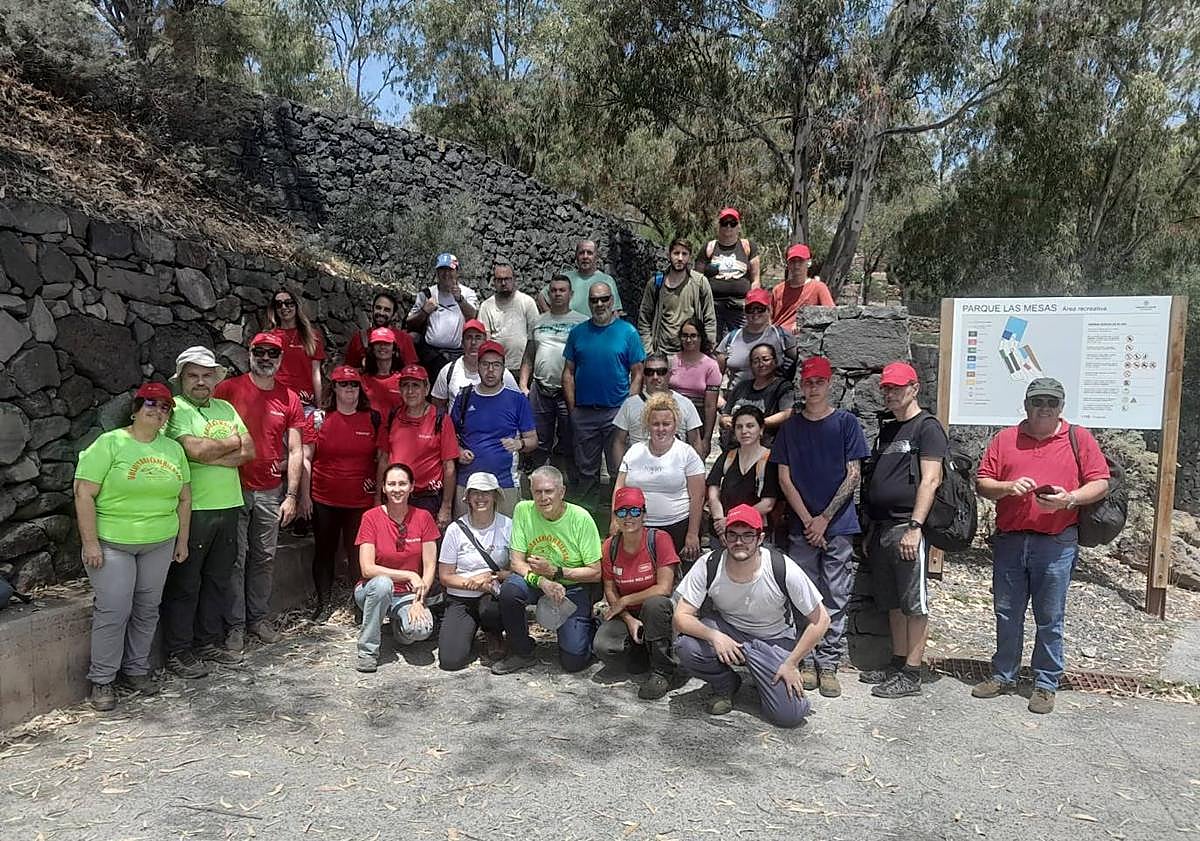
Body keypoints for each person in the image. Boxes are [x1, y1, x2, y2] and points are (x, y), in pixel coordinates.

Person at [973, 377, 1110, 714]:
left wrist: (1070, 500)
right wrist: (1007, 487)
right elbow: (982, 483)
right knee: (1007, 613)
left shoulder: (1078, 438)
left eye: (1051, 402)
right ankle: (1004, 674)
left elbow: (1101, 483)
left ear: (1061, 407)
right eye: (1038, 402)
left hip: (1056, 542)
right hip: (1010, 540)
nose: (1044, 408)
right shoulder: (1005, 439)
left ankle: (1046, 683)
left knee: (1050, 616)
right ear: (1026, 405)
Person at [74, 382, 191, 711]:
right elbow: (84, 493)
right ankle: (102, 679)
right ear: (136, 408)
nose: (157, 411)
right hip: (114, 543)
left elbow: (184, 497)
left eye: (165, 406)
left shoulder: (172, 449)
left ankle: (136, 670)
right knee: (114, 610)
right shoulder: (110, 444)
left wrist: (181, 540)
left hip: (160, 541)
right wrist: (90, 542)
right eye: (150, 404)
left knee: (147, 608)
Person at [673, 505, 829, 726]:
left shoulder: (781, 567)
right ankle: (725, 684)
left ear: (760, 538)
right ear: (724, 537)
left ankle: (764, 676)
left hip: (773, 641)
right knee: (686, 646)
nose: (739, 542)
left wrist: (792, 663)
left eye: (748, 535)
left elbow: (821, 619)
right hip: (730, 633)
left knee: (790, 716)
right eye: (733, 535)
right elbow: (681, 616)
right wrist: (716, 637)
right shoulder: (709, 564)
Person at [770, 355, 869, 699]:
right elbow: (784, 477)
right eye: (807, 382)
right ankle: (806, 660)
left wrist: (824, 518)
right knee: (804, 595)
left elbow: (853, 473)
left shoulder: (846, 424)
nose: (812, 388)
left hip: (838, 525)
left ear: (830, 384)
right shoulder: (791, 427)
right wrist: (809, 519)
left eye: (818, 382)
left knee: (836, 595)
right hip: (802, 526)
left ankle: (829, 663)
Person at [161, 347, 255, 680]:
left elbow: (250, 451)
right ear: (181, 379)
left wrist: (208, 456)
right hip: (194, 509)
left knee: (217, 579)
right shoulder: (176, 409)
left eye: (206, 376)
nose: (201, 382)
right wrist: (229, 443)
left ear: (215, 379)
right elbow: (192, 450)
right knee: (186, 582)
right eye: (193, 375)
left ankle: (207, 642)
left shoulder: (226, 407)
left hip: (228, 505)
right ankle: (178, 650)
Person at [859, 362, 947, 698]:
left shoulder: (927, 428)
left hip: (907, 526)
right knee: (892, 602)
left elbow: (931, 479)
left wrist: (915, 526)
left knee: (914, 603)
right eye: (886, 388)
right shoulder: (889, 429)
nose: (890, 393)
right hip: (882, 528)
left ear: (914, 388)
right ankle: (897, 662)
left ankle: (912, 672)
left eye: (897, 387)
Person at [213, 331, 305, 651]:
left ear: (280, 359)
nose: (265, 358)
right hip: (231, 488)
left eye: (272, 354)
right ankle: (235, 626)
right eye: (259, 352)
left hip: (270, 489)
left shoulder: (290, 398)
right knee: (235, 560)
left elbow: (295, 450)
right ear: (249, 353)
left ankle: (258, 619)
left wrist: (292, 495)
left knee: (264, 557)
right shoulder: (227, 389)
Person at [492, 466, 602, 675]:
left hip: (572, 587)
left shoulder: (581, 518)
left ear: (562, 492)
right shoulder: (524, 510)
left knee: (574, 662)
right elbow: (516, 562)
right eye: (537, 492)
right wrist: (543, 581)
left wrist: (557, 572)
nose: (543, 498)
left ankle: (590, 627)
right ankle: (521, 652)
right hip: (537, 582)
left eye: (549, 491)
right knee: (510, 590)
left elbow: (596, 572)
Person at [302, 365, 380, 623]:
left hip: (360, 500)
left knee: (358, 555)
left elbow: (382, 459)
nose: (349, 389)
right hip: (324, 497)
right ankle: (323, 604)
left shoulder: (373, 419)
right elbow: (306, 458)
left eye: (354, 384)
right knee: (324, 552)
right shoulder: (318, 418)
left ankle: (360, 606)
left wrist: (379, 495)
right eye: (343, 384)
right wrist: (303, 496)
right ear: (333, 388)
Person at [595, 487, 680, 699]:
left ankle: (663, 671)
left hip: (658, 611)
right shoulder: (609, 546)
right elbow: (609, 588)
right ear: (615, 516)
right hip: (628, 613)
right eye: (622, 512)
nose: (628, 517)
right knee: (604, 646)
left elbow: (664, 587)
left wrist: (625, 600)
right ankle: (641, 654)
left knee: (655, 605)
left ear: (644, 514)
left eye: (634, 511)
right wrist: (628, 618)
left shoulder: (659, 539)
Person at [562, 281, 645, 499]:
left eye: (604, 299)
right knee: (586, 471)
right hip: (584, 412)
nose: (600, 304)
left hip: (615, 413)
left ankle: (619, 516)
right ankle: (588, 519)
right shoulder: (578, 333)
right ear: (589, 303)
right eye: (594, 300)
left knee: (620, 469)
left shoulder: (628, 332)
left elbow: (638, 372)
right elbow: (568, 373)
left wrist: (629, 408)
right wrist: (573, 410)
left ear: (612, 301)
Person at [353, 462, 439, 673]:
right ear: (383, 488)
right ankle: (368, 651)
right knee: (383, 584)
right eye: (391, 484)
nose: (397, 489)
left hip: (408, 594)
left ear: (411, 487)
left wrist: (420, 600)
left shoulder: (423, 518)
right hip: (372, 590)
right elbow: (367, 569)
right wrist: (408, 574)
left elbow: (429, 567)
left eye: (402, 484)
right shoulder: (371, 518)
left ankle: (397, 627)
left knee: (420, 630)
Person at [611, 392, 705, 563]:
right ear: (648, 425)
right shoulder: (634, 452)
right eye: (655, 424)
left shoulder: (687, 454)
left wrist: (692, 534)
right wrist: (614, 521)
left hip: (677, 527)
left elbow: (698, 497)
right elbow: (619, 489)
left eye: (666, 424)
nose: (661, 429)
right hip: (637, 527)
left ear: (675, 425)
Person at [437, 472, 512, 671]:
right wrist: (472, 582)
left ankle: (493, 632)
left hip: (493, 595)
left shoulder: (508, 526)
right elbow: (444, 576)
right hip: (461, 597)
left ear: (495, 496)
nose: (480, 498)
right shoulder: (455, 529)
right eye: (475, 493)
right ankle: (467, 633)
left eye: (486, 492)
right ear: (468, 498)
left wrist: (492, 577)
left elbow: (516, 569)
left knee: (490, 609)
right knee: (450, 661)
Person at [452, 340, 537, 516]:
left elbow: (533, 440)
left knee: (505, 538)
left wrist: (519, 444)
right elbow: (449, 436)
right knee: (465, 538)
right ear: (478, 366)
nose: (490, 370)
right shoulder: (464, 397)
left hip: (504, 483)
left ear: (503, 368)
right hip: (467, 482)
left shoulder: (517, 400)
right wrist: (458, 450)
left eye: (496, 365)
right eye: (485, 364)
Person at [519, 273, 587, 475]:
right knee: (538, 440)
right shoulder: (538, 322)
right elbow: (528, 355)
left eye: (562, 290)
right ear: (548, 294)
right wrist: (523, 384)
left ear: (570, 294)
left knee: (569, 439)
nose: (557, 294)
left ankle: (568, 485)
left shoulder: (582, 323)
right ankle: (537, 480)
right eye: (554, 291)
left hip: (568, 391)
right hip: (540, 389)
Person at [376, 364, 458, 530]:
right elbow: (383, 460)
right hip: (395, 496)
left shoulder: (441, 419)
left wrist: (446, 507)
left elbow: (449, 467)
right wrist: (378, 498)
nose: (410, 391)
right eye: (405, 385)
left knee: (426, 551)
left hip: (427, 498)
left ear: (427, 388)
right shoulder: (393, 417)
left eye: (416, 385)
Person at [707, 405, 780, 548]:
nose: (744, 431)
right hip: (721, 533)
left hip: (753, 535)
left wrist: (731, 521)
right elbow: (713, 494)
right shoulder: (727, 457)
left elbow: (768, 504)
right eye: (739, 427)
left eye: (750, 426)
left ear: (761, 429)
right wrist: (721, 524)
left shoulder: (770, 461)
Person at [612, 351, 704, 463]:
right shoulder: (629, 405)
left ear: (669, 374)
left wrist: (698, 475)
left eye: (661, 372)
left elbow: (695, 442)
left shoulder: (686, 404)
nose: (655, 377)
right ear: (644, 375)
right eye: (649, 372)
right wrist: (620, 474)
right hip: (639, 471)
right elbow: (618, 441)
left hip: (675, 471)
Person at [406, 252, 479, 380]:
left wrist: (460, 300)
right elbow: (410, 323)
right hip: (430, 355)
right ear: (437, 273)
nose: (446, 274)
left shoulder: (467, 293)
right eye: (442, 270)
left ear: (457, 272)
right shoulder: (427, 294)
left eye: (449, 270)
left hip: (457, 355)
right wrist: (424, 311)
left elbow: (473, 317)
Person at [636, 238, 716, 354]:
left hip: (691, 353)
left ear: (690, 257)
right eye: (676, 253)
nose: (680, 258)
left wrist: (707, 348)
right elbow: (644, 320)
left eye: (684, 254)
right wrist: (649, 352)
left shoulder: (700, 283)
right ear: (668, 255)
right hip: (661, 353)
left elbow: (709, 318)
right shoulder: (655, 284)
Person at [693, 207, 761, 339]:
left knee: (741, 343)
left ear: (738, 226)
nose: (728, 227)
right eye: (724, 223)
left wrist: (752, 305)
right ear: (719, 226)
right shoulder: (709, 247)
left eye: (733, 223)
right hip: (713, 308)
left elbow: (756, 279)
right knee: (712, 344)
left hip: (740, 308)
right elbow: (697, 279)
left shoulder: (748, 247)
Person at [717, 343, 794, 450]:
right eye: (756, 361)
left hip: (766, 450)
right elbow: (724, 415)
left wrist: (757, 424)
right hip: (734, 449)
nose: (761, 364)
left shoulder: (783, 387)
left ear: (775, 362)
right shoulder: (741, 387)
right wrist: (725, 421)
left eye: (765, 359)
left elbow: (788, 413)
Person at [715, 288, 797, 389]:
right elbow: (716, 374)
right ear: (745, 312)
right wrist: (718, 398)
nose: (755, 313)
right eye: (750, 309)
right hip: (736, 398)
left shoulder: (782, 336)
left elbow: (801, 362)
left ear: (769, 310)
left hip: (772, 398)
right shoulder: (731, 338)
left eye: (760, 308)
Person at [432, 319, 518, 411]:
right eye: (469, 338)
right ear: (462, 343)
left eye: (478, 338)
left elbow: (517, 402)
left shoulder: (501, 373)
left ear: (485, 341)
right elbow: (438, 404)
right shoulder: (448, 371)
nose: (473, 342)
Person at [477, 257, 539, 377]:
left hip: (522, 369)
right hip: (496, 369)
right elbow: (485, 339)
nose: (504, 283)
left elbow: (534, 336)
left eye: (507, 279)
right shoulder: (486, 306)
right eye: (499, 280)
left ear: (514, 280)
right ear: (494, 282)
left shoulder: (527, 302)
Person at [262, 288, 325, 407]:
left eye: (289, 303)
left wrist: (319, 406)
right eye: (279, 304)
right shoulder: (268, 336)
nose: (284, 308)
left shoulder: (312, 336)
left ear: (296, 306)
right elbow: (263, 372)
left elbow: (315, 373)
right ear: (274, 309)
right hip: (276, 400)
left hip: (304, 401)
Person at [668, 318, 721, 454]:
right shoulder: (671, 361)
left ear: (700, 337)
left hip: (697, 420)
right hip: (672, 417)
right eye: (685, 335)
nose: (688, 340)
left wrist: (707, 438)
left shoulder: (711, 366)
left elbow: (710, 406)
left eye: (693, 336)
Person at [535, 239, 624, 316]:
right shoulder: (566, 278)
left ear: (596, 257)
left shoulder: (606, 280)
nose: (585, 256)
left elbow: (615, 312)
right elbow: (541, 297)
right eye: (581, 253)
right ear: (576, 256)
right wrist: (553, 319)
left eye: (589, 253)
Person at [769, 244, 834, 333]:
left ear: (809, 262)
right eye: (792, 261)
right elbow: (768, 318)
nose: (796, 265)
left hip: (804, 337)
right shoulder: (778, 289)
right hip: (777, 335)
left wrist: (803, 322)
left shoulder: (819, 288)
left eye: (800, 261)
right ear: (788, 264)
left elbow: (830, 314)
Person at [342, 291, 412, 369]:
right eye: (378, 308)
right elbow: (349, 370)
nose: (381, 313)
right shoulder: (359, 338)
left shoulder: (404, 339)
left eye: (387, 310)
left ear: (394, 315)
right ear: (372, 309)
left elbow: (412, 372)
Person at [360, 326, 416, 417]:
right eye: (378, 343)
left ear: (394, 349)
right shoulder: (362, 381)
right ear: (372, 349)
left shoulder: (403, 381)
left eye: (387, 343)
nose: (382, 347)